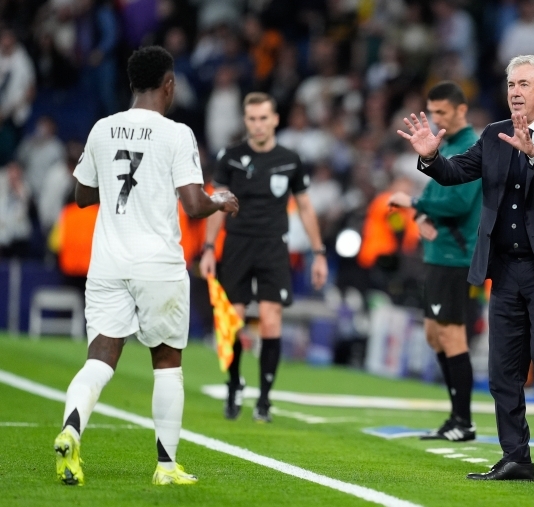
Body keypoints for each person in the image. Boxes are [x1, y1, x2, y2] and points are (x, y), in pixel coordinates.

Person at [397, 54, 534, 483]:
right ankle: (517, 457)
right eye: (511, 83)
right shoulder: (493, 135)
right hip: (506, 266)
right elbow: (457, 172)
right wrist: (431, 159)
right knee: (502, 370)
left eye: (525, 84)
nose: (514, 91)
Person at [53, 46, 239, 487]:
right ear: (169, 85)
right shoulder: (176, 134)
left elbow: (81, 196)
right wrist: (220, 200)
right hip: (158, 264)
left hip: (108, 263)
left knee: (99, 359)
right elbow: (194, 205)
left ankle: (71, 429)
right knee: (167, 363)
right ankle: (166, 465)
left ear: (131, 84)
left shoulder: (102, 129)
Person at [199, 92, 328, 423]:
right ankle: (233, 385)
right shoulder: (230, 156)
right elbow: (217, 203)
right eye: (252, 119)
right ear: (246, 121)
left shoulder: (290, 159)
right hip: (238, 244)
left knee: (271, 320)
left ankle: (265, 400)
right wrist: (210, 248)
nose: (257, 124)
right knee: (232, 322)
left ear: (275, 120)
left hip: (274, 245)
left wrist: (319, 253)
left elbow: (305, 206)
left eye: (263, 118)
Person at [387, 81, 481, 441]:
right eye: (433, 111)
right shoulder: (449, 145)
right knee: (433, 334)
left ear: (461, 110)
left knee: (451, 334)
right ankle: (456, 416)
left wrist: (416, 205)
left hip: (456, 254)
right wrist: (423, 213)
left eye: (443, 112)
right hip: (438, 251)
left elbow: (459, 203)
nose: (437, 118)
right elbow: (432, 194)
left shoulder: (471, 146)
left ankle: (464, 421)